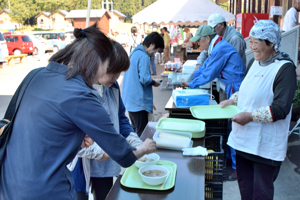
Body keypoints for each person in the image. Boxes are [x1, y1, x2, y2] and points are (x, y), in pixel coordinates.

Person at [0, 23, 156, 200]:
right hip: (47, 190)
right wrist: (143, 149)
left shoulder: (35, 75)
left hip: (8, 186)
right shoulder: (82, 95)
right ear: (98, 61)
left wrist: (74, 137)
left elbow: (38, 129)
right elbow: (123, 155)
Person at [220, 20, 297, 200]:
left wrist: (250, 116)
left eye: (257, 42)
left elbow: (281, 109)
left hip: (265, 147)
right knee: (245, 191)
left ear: (271, 43)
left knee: (261, 194)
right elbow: (247, 90)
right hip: (243, 142)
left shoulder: (285, 68)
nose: (252, 46)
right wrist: (232, 99)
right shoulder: (254, 62)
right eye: (251, 41)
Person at [70, 41, 144, 200]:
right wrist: (104, 151)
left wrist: (135, 142)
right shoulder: (79, 90)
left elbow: (121, 119)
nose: (117, 77)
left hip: (105, 164)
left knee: (105, 195)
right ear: (98, 65)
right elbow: (70, 138)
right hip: (80, 165)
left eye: (120, 72)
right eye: (113, 72)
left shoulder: (113, 87)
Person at [181, 25, 245, 99]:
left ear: (208, 38)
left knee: (234, 109)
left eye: (198, 40)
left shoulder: (219, 48)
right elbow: (206, 66)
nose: (198, 44)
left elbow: (210, 73)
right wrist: (192, 78)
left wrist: (191, 83)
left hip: (234, 86)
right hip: (229, 84)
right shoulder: (216, 47)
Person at [122, 32, 164, 136]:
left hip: (131, 100)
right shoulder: (144, 56)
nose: (154, 53)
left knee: (135, 131)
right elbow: (145, 79)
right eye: (155, 50)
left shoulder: (134, 53)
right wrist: (155, 83)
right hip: (138, 103)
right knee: (142, 134)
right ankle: (140, 152)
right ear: (152, 45)